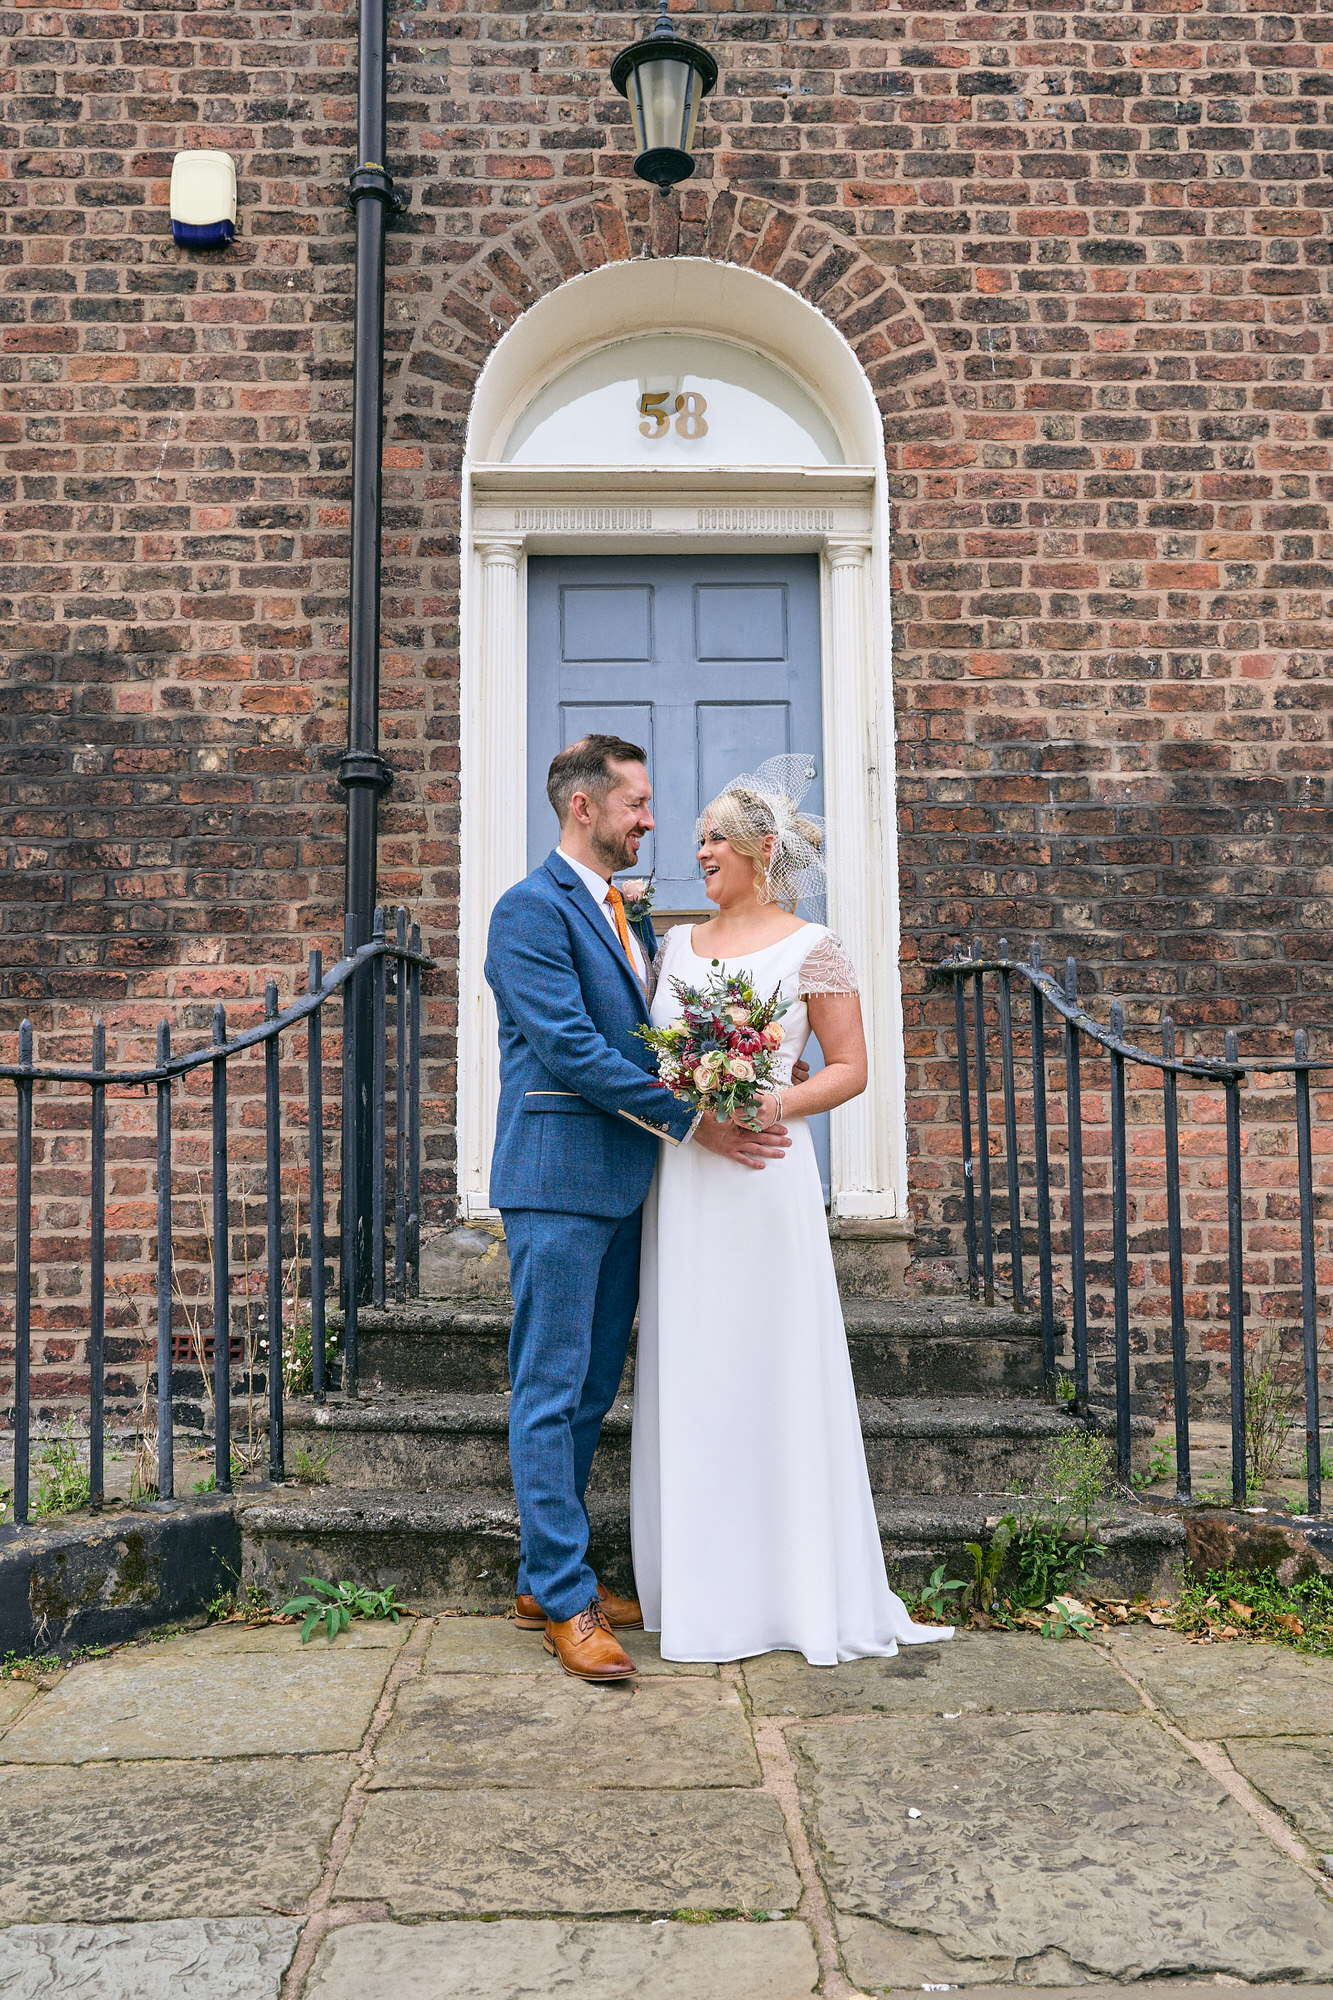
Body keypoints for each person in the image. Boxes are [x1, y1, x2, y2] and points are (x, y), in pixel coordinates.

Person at [631, 755, 955, 1665]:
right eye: (694, 839)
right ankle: (702, 1590)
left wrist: (771, 1100)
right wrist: (691, 1097)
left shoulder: (812, 946)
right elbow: (654, 1056)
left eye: (712, 840)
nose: (697, 853)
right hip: (687, 1173)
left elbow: (849, 1067)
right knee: (693, 1364)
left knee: (767, 1362)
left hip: (764, 1174)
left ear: (761, 849)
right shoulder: (674, 947)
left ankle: (789, 1587)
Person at [484, 735, 792, 1681]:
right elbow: (573, 1049)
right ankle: (568, 1604)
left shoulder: (628, 914)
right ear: (585, 807)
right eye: (636, 804)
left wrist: (757, 1070)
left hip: (624, 1182)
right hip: (556, 1179)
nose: (650, 821)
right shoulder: (528, 912)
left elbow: (653, 1035)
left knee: (586, 1392)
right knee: (548, 1388)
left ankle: (551, 1575)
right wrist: (696, 1121)